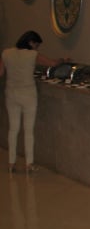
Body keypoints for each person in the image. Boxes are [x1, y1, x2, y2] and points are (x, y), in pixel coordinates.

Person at [0, 30, 65, 174]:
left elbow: (1, 73)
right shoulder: (32, 55)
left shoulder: (6, 53)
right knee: (28, 130)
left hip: (11, 94)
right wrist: (62, 60)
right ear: (30, 42)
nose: (37, 48)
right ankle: (29, 164)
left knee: (13, 129)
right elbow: (52, 63)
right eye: (36, 45)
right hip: (28, 94)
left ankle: (11, 163)